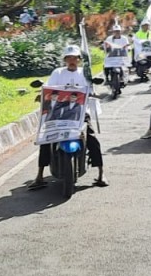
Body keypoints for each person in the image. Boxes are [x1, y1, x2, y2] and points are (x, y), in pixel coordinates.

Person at [31, 45, 106, 188]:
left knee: (92, 139)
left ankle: (101, 173)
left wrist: (93, 93)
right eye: (69, 58)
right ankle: (39, 175)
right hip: (58, 114)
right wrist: (41, 95)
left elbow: (91, 88)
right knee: (46, 139)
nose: (72, 60)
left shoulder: (85, 73)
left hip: (81, 114)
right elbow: (48, 87)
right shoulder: (57, 73)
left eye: (75, 58)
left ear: (79, 60)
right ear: (65, 59)